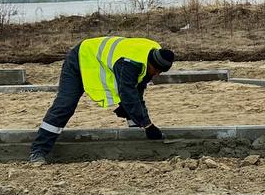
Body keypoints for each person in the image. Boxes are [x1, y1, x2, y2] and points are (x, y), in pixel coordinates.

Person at [29, 36, 175, 164]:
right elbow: (128, 94)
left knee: (131, 103)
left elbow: (136, 95)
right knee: (65, 105)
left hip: (97, 63)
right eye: (156, 70)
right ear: (151, 63)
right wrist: (148, 125)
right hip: (79, 60)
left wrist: (143, 124)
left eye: (160, 72)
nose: (156, 74)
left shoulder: (154, 54)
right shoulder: (129, 63)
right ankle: (38, 151)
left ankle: (137, 142)